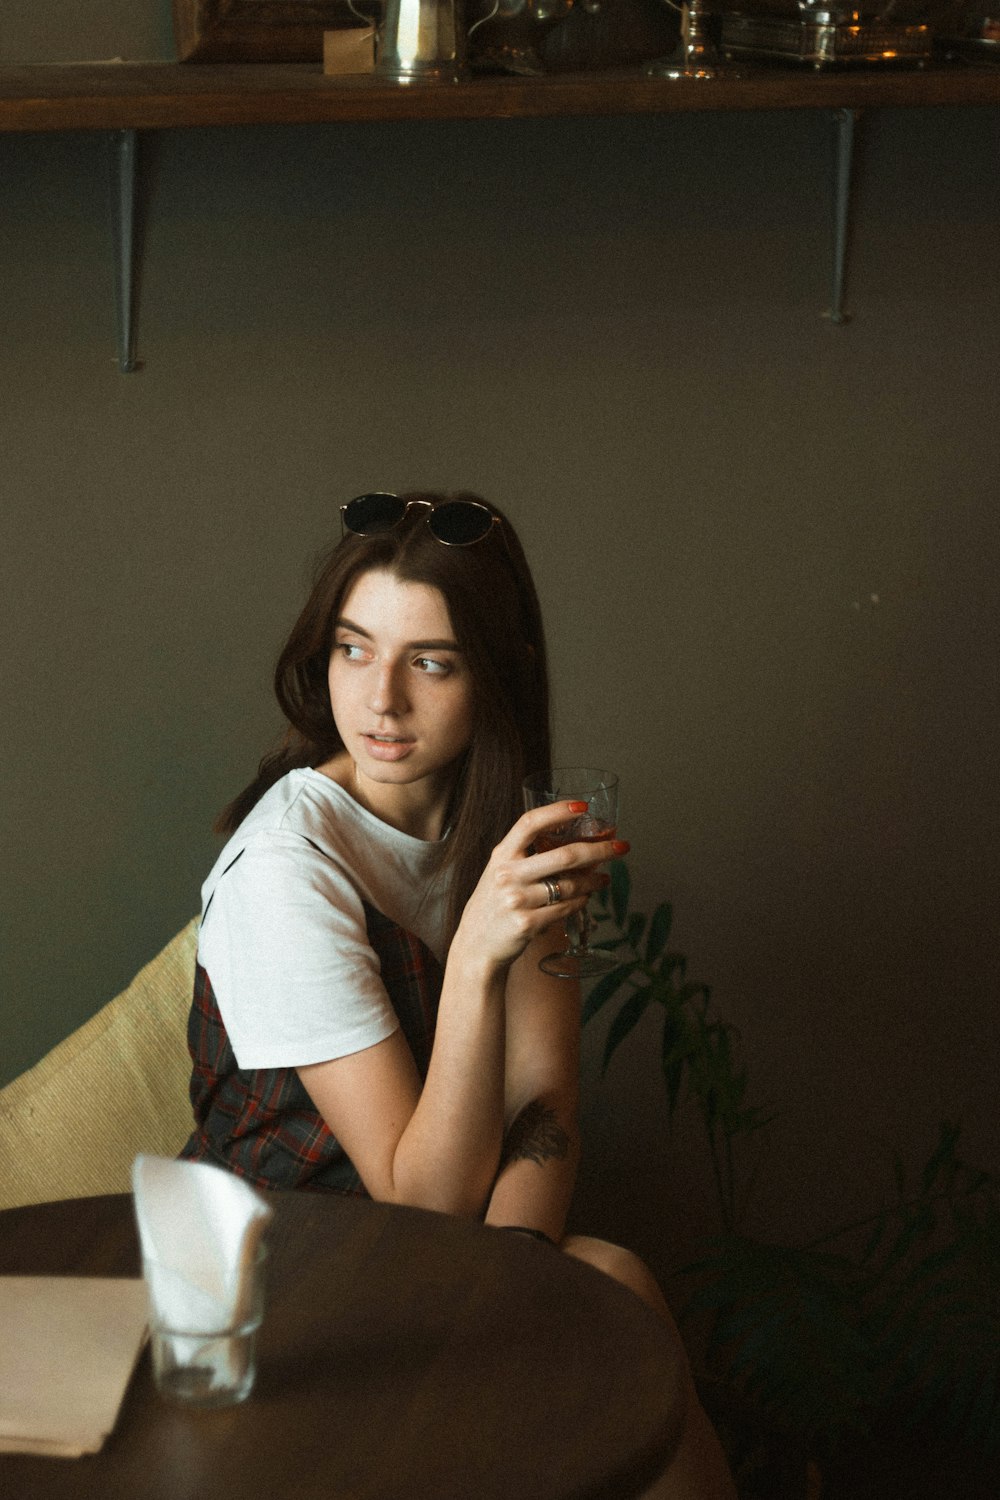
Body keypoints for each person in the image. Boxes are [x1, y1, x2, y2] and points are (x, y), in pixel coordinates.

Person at [181, 490, 735, 1499]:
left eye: (429, 662)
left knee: (605, 1290)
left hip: (434, 1254)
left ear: (495, 674)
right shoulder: (286, 871)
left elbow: (543, 1108)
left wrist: (515, 1275)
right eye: (354, 650)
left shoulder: (513, 827)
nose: (381, 700)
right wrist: (478, 951)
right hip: (273, 1271)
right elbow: (419, 1202)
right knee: (608, 1297)